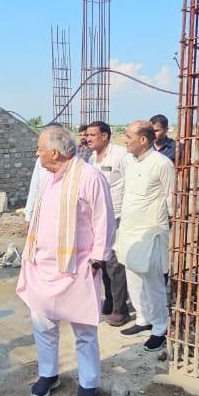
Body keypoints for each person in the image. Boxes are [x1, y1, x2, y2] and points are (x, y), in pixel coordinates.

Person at [17, 125, 115, 396]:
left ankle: (88, 383)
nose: (37, 153)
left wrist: (98, 258)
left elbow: (104, 220)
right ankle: (48, 374)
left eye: (40, 149)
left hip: (77, 266)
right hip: (42, 265)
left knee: (83, 329)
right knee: (43, 324)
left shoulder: (89, 176)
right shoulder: (46, 175)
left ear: (54, 153)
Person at [113, 121, 176, 352]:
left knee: (153, 283)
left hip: (151, 232)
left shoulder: (162, 164)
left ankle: (160, 328)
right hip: (129, 230)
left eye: (128, 136)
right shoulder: (129, 161)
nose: (125, 140)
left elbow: (172, 200)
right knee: (133, 277)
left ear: (143, 139)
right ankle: (143, 319)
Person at [82, 121, 134, 326]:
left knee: (115, 264)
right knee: (101, 261)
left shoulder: (121, 155)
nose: (88, 139)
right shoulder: (91, 158)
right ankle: (110, 300)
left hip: (117, 216)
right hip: (98, 219)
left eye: (92, 135)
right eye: (87, 135)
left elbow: (131, 184)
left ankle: (121, 309)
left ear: (104, 136)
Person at [24, 156, 46, 224]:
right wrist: (28, 216)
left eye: (40, 150)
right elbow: (34, 189)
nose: (37, 153)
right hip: (44, 216)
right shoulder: (41, 160)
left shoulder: (73, 161)